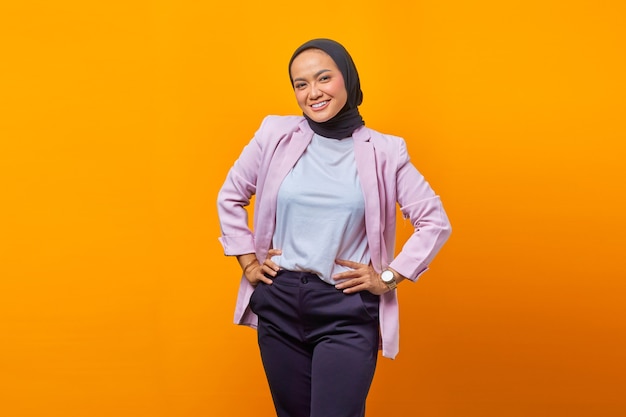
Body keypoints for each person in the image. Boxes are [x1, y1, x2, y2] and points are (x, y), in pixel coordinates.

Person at [217, 38, 451, 417]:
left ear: (347, 79)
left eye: (323, 78)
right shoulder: (274, 134)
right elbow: (229, 196)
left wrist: (389, 277)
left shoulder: (386, 151)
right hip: (280, 299)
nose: (313, 93)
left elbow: (434, 222)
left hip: (346, 307)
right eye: (301, 84)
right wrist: (247, 262)